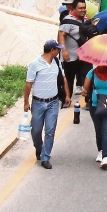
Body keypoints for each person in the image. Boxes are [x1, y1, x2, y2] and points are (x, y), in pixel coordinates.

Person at [23, 39, 71, 170]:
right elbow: (28, 84)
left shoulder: (56, 62)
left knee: (50, 130)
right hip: (38, 103)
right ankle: (39, 148)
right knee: (36, 130)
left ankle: (45, 157)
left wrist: (67, 95)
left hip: (53, 103)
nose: (59, 51)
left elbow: (63, 78)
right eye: (57, 49)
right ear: (52, 50)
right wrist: (26, 102)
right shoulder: (35, 64)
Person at [81, 65, 107, 170]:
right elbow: (85, 89)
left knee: (106, 131)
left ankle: (106, 157)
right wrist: (84, 91)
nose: (103, 66)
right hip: (95, 107)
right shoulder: (92, 73)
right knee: (99, 130)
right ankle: (100, 150)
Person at [58, 0, 97, 96]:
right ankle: (66, 98)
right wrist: (64, 51)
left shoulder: (86, 20)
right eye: (80, 8)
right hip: (70, 56)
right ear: (73, 8)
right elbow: (61, 35)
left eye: (84, 8)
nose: (83, 10)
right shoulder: (67, 20)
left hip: (84, 56)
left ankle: (88, 100)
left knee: (88, 76)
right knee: (69, 78)